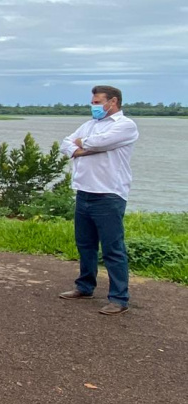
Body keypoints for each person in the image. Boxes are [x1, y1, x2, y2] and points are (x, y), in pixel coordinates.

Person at [58, 85, 139, 315]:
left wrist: (83, 145)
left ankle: (119, 298)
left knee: (113, 248)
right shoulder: (90, 125)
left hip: (109, 194)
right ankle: (85, 286)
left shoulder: (125, 125)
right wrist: (81, 147)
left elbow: (97, 143)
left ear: (112, 102)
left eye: (97, 102)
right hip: (84, 192)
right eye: (93, 102)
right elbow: (66, 144)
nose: (93, 106)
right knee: (85, 245)